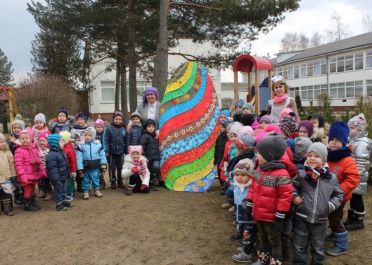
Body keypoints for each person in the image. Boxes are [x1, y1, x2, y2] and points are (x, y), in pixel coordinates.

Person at [292, 142, 343, 265]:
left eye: (316, 156)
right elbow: (293, 186)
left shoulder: (331, 178)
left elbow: (339, 194)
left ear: (324, 159)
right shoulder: (302, 174)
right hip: (302, 217)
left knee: (318, 246)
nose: (312, 158)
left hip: (321, 219)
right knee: (299, 245)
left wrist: (330, 206)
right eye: (309, 155)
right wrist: (295, 196)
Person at [247, 134, 293, 265]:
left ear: (270, 155)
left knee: (274, 239)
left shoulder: (282, 174)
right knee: (262, 236)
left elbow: (285, 196)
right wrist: (250, 202)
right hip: (259, 213)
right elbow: (253, 187)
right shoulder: (259, 169)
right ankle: (263, 257)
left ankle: (276, 259)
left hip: (272, 216)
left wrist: (280, 215)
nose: (257, 156)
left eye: (260, 153)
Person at [326, 121, 360, 256]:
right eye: (331, 139)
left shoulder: (347, 160)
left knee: (335, 219)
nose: (334, 142)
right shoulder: (327, 156)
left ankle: (341, 244)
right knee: (329, 216)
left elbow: (353, 179)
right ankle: (335, 234)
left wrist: (338, 190)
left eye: (337, 140)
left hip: (339, 197)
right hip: (327, 195)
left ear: (344, 141)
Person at [344, 114, 372, 231]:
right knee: (353, 197)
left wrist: (355, 176)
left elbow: (360, 161)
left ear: (359, 129)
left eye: (351, 128)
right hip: (352, 175)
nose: (348, 130)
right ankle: (352, 217)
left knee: (357, 198)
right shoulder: (352, 141)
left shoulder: (362, 143)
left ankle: (358, 220)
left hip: (357, 176)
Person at [14, 128, 47, 211]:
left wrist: (42, 170)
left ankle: (32, 202)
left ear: (31, 138)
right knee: (27, 190)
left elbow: (39, 161)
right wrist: (22, 175)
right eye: (22, 138)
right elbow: (18, 164)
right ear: (20, 139)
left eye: (27, 138)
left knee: (32, 189)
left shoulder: (34, 148)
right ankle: (27, 204)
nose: (24, 140)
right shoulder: (19, 151)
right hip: (25, 175)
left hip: (34, 173)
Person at [231, 158, 256, 263]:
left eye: (243, 175)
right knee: (242, 233)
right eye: (237, 175)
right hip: (240, 216)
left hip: (249, 218)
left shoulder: (252, 187)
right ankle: (247, 249)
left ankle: (246, 255)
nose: (239, 177)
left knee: (247, 235)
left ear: (250, 175)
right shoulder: (236, 185)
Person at [76, 127, 107, 200]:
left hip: (95, 166)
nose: (87, 137)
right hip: (86, 166)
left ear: (93, 136)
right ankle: (86, 191)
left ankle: (96, 190)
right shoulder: (81, 145)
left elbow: (102, 155)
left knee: (96, 178)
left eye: (89, 135)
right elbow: (79, 157)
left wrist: (103, 164)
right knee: (85, 180)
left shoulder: (98, 145)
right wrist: (80, 168)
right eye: (86, 135)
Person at [46, 134, 72, 211]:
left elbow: (65, 164)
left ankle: (64, 201)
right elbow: (52, 169)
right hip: (57, 178)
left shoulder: (61, 152)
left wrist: (67, 174)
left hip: (63, 176)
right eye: (61, 141)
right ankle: (59, 204)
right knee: (58, 191)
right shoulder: (51, 155)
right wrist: (55, 179)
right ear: (55, 143)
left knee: (64, 190)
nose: (63, 143)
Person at [103, 110, 127, 189]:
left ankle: (120, 181)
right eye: (116, 119)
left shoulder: (124, 128)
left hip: (121, 152)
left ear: (122, 120)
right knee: (112, 167)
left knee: (120, 167)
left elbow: (126, 140)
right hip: (112, 152)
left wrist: (126, 149)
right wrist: (106, 149)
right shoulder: (109, 128)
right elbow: (105, 139)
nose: (118, 121)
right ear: (113, 119)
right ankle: (113, 181)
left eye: (120, 119)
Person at [7, 115, 25, 205]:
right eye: (15, 127)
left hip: (24, 163)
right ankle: (18, 196)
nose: (17, 129)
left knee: (24, 179)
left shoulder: (25, 138)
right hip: (14, 163)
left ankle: (26, 195)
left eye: (19, 128)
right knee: (15, 180)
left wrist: (16, 142)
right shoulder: (10, 140)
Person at [140, 119, 161, 186]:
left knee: (156, 166)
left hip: (156, 156)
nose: (151, 128)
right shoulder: (145, 136)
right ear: (146, 127)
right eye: (149, 126)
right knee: (148, 170)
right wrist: (143, 156)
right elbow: (141, 147)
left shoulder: (155, 136)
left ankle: (154, 177)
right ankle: (150, 181)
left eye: (152, 126)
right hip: (148, 157)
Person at [0, 132, 16, 216]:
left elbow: (12, 164)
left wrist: (13, 174)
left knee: (7, 193)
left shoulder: (7, 152)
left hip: (6, 176)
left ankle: (8, 208)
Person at [60, 131, 77, 201]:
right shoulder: (60, 147)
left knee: (69, 182)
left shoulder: (70, 150)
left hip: (69, 169)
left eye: (62, 139)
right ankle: (64, 193)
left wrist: (73, 171)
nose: (60, 141)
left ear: (66, 140)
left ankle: (70, 193)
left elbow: (73, 161)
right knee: (63, 182)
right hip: (62, 169)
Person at [214, 118, 231, 187]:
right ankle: (222, 185)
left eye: (222, 127)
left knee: (225, 173)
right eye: (220, 127)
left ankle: (225, 186)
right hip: (219, 158)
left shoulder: (228, 137)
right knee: (219, 172)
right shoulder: (219, 137)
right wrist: (215, 159)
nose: (220, 128)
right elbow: (217, 148)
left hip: (225, 159)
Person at [37, 131, 53, 201]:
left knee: (47, 182)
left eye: (43, 140)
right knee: (41, 182)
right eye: (40, 141)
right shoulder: (37, 150)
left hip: (48, 169)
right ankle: (44, 192)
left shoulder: (49, 150)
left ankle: (50, 193)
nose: (41, 142)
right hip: (40, 169)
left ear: (47, 142)